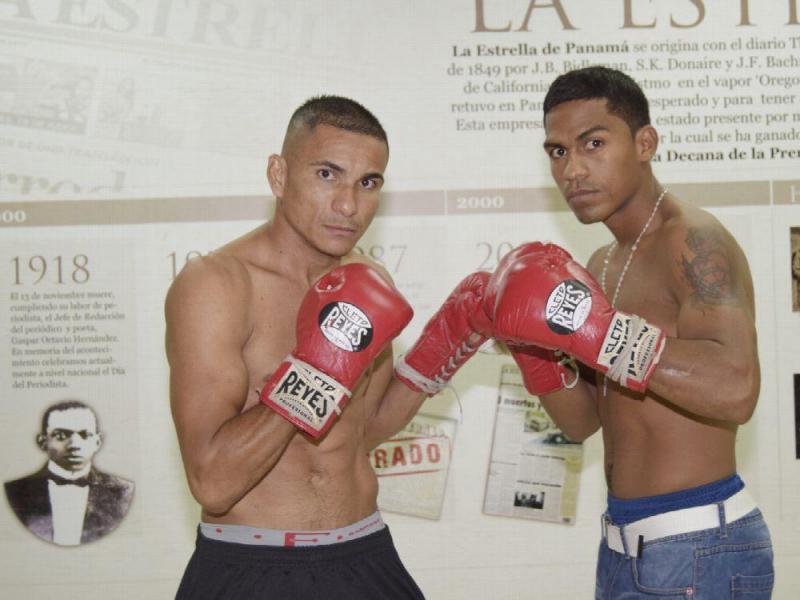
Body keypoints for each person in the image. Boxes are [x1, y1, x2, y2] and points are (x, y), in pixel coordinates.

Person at [165, 95, 489, 599]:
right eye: (326, 175)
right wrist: (315, 370)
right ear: (278, 175)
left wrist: (444, 344)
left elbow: (365, 429)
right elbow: (213, 483)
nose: (348, 205)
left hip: (364, 553)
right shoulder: (217, 285)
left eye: (368, 183)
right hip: (252, 565)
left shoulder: (368, 279)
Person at [483, 67, 774, 598]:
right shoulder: (601, 262)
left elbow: (736, 389)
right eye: (558, 151)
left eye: (593, 143)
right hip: (625, 548)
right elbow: (582, 422)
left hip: (697, 547)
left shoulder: (693, 241)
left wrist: (601, 334)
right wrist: (531, 350)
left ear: (645, 143)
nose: (573, 169)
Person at [4, 400, 134, 546]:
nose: (74, 445)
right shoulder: (16, 491)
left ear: (97, 442)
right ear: (43, 442)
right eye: (61, 435)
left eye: (85, 435)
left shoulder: (122, 491)